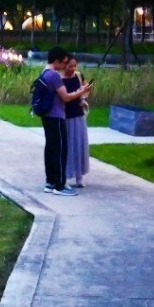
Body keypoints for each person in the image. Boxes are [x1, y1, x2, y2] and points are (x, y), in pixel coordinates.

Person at [38, 46, 93, 196]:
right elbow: (66, 97)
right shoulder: (54, 76)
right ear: (56, 61)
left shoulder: (44, 72)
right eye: (63, 63)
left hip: (47, 116)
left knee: (50, 149)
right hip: (57, 116)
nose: (64, 66)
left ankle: (50, 182)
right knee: (60, 150)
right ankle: (59, 185)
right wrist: (82, 91)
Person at [62, 57, 91, 188]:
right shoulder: (59, 79)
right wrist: (80, 92)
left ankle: (79, 177)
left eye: (75, 66)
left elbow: (86, 88)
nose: (73, 68)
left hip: (78, 115)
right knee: (67, 147)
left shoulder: (78, 76)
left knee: (79, 145)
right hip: (65, 115)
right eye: (70, 66)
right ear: (64, 65)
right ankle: (65, 176)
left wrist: (84, 97)